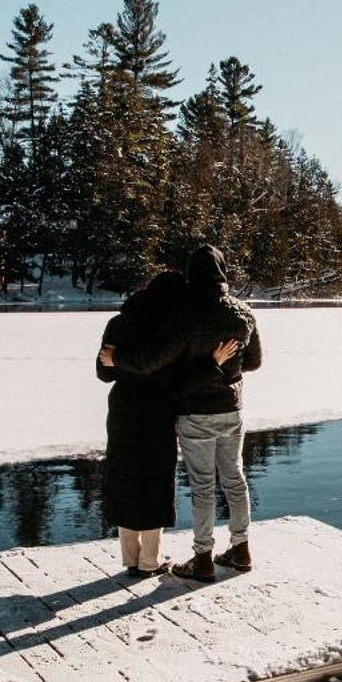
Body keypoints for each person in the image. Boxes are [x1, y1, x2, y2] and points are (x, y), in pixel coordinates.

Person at [100, 244, 262, 582]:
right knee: (234, 479)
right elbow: (254, 361)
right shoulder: (243, 312)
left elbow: (154, 360)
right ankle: (241, 549)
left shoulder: (185, 315)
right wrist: (227, 367)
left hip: (194, 410)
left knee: (202, 486)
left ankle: (202, 558)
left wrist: (118, 361)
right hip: (232, 408)